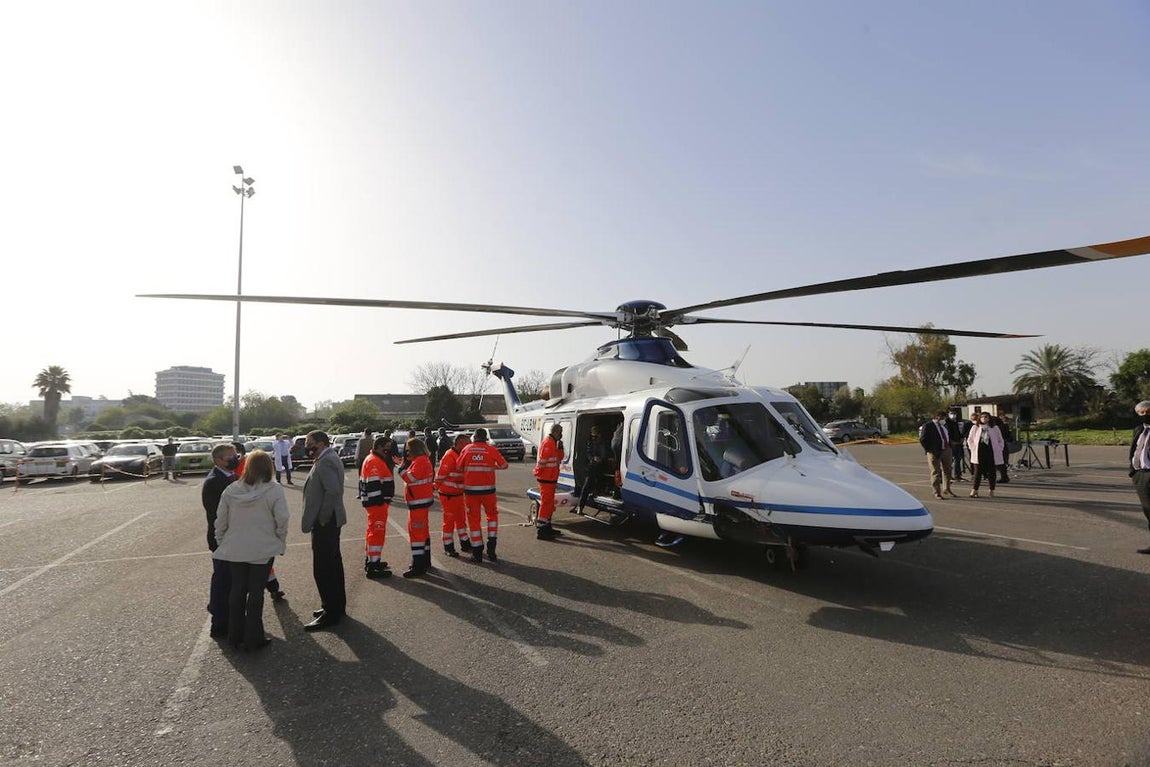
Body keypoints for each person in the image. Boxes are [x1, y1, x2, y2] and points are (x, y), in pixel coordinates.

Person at [213, 450, 289, 652]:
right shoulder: (274, 489)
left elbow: (220, 521)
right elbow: (282, 518)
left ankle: (234, 635)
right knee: (256, 593)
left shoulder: (231, 490)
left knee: (236, 590)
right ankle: (253, 637)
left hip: (235, 548)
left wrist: (223, 542)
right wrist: (279, 540)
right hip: (262, 549)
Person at [301, 431, 347, 631]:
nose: (307, 447)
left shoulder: (326, 460)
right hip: (329, 520)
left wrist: (323, 517)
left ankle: (331, 611)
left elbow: (333, 490)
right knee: (332, 564)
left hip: (326, 522)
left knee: (324, 567)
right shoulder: (326, 457)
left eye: (309, 443)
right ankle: (335, 606)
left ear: (320, 443)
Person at [201, 442, 240, 639]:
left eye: (236, 456)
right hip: (222, 539)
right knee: (223, 581)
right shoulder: (213, 482)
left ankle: (221, 610)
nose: (235, 459)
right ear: (218, 460)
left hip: (234, 538)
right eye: (230, 457)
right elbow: (218, 516)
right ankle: (219, 624)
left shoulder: (231, 476)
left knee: (230, 580)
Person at [459, 427, 509, 562]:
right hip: (488, 492)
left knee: (474, 521)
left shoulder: (467, 449)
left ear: (474, 437)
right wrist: (492, 466)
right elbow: (504, 465)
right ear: (485, 437)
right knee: (492, 517)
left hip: (471, 492)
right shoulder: (491, 449)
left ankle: (477, 552)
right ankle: (491, 549)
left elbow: (459, 466)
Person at [359, 436, 400, 578]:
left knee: (373, 532)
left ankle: (372, 560)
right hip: (377, 504)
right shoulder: (374, 461)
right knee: (377, 533)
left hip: (377, 503)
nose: (388, 450)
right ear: (378, 446)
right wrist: (380, 502)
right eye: (386, 447)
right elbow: (374, 484)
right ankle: (373, 565)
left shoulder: (374, 459)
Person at [400, 438, 435, 577]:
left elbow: (410, 478)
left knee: (417, 535)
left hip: (418, 503)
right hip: (420, 502)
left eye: (408, 450)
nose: (407, 453)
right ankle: (424, 562)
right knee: (423, 533)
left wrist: (401, 469)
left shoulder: (420, 461)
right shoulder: (422, 460)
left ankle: (418, 565)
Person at [435, 433, 471, 557]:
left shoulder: (460, 454)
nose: (469, 445)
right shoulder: (450, 456)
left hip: (458, 494)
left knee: (461, 520)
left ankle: (464, 543)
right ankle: (448, 546)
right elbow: (440, 477)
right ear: (460, 443)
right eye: (467, 443)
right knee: (449, 521)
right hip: (448, 494)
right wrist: (438, 488)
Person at [534, 424, 566, 541]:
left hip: (551, 479)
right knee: (546, 504)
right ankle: (541, 530)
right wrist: (538, 472)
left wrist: (560, 448)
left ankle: (547, 526)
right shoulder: (548, 443)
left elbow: (559, 458)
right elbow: (542, 461)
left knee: (549, 504)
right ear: (556, 432)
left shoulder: (554, 443)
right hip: (546, 479)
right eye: (561, 431)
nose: (562, 434)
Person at [1127, 400, 1150, 554]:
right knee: (1148, 511)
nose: (1145, 415)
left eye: (1147, 412)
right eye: (1141, 413)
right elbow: (1134, 450)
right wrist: (1133, 472)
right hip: (1140, 475)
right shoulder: (1139, 429)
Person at [966, 412, 1005, 498]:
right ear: (979, 418)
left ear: (989, 418)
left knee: (992, 472)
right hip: (979, 452)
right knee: (977, 473)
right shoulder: (975, 427)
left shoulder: (994, 428)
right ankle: (974, 490)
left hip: (991, 452)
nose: (984, 418)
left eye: (986, 417)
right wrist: (972, 448)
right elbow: (970, 439)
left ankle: (991, 490)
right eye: (982, 417)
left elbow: (1000, 440)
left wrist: (999, 448)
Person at [918, 412, 954, 499]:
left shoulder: (944, 426)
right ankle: (937, 492)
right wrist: (929, 450)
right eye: (943, 418)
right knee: (935, 472)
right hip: (934, 451)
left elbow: (947, 436)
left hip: (946, 449)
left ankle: (947, 488)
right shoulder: (928, 426)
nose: (944, 420)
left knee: (948, 470)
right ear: (937, 417)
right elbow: (923, 439)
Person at [945, 411, 965, 482]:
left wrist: (961, 438)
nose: (953, 415)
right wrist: (951, 441)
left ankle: (958, 475)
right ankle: (948, 476)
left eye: (954, 413)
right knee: (950, 461)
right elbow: (947, 434)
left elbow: (959, 432)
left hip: (958, 443)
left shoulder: (956, 422)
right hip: (951, 444)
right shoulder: (946, 423)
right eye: (951, 414)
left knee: (958, 459)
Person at [996, 416, 1014, 484]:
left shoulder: (997, 428)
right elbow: (1010, 437)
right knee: (1003, 462)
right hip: (1004, 446)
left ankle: (1004, 477)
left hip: (998, 447)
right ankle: (1004, 476)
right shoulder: (1005, 426)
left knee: (1000, 463)